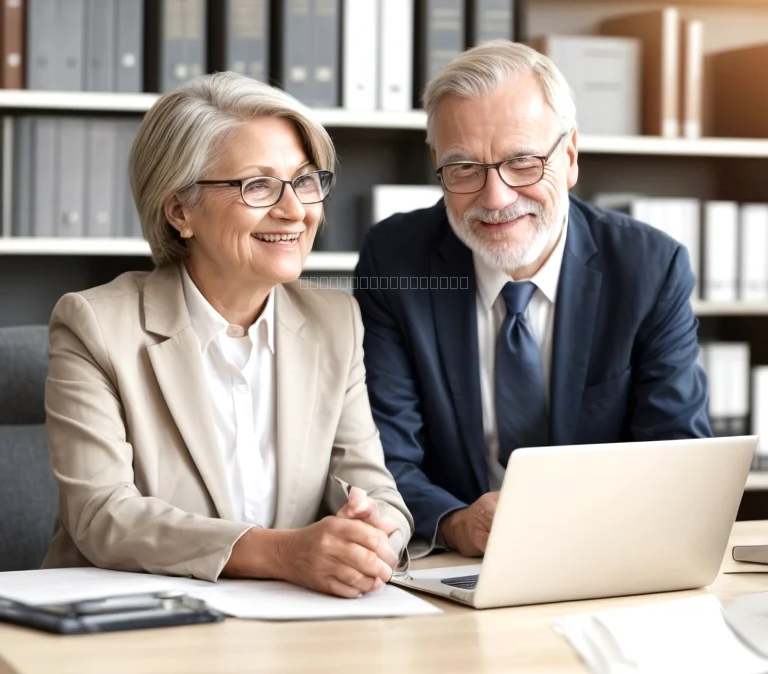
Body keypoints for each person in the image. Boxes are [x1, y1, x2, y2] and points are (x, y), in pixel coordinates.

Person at [43, 72, 412, 599]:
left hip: (294, 623)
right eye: (258, 185)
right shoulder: (96, 325)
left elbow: (376, 490)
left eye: (305, 181)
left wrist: (372, 538)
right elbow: (103, 516)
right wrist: (285, 553)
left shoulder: (336, 322)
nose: (294, 211)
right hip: (130, 621)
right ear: (179, 211)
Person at [353, 40, 711, 558]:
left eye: (522, 161)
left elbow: (677, 455)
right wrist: (454, 521)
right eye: (465, 168)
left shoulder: (650, 268)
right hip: (457, 564)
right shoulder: (396, 260)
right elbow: (383, 455)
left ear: (568, 157)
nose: (496, 197)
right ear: (437, 164)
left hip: (607, 555)